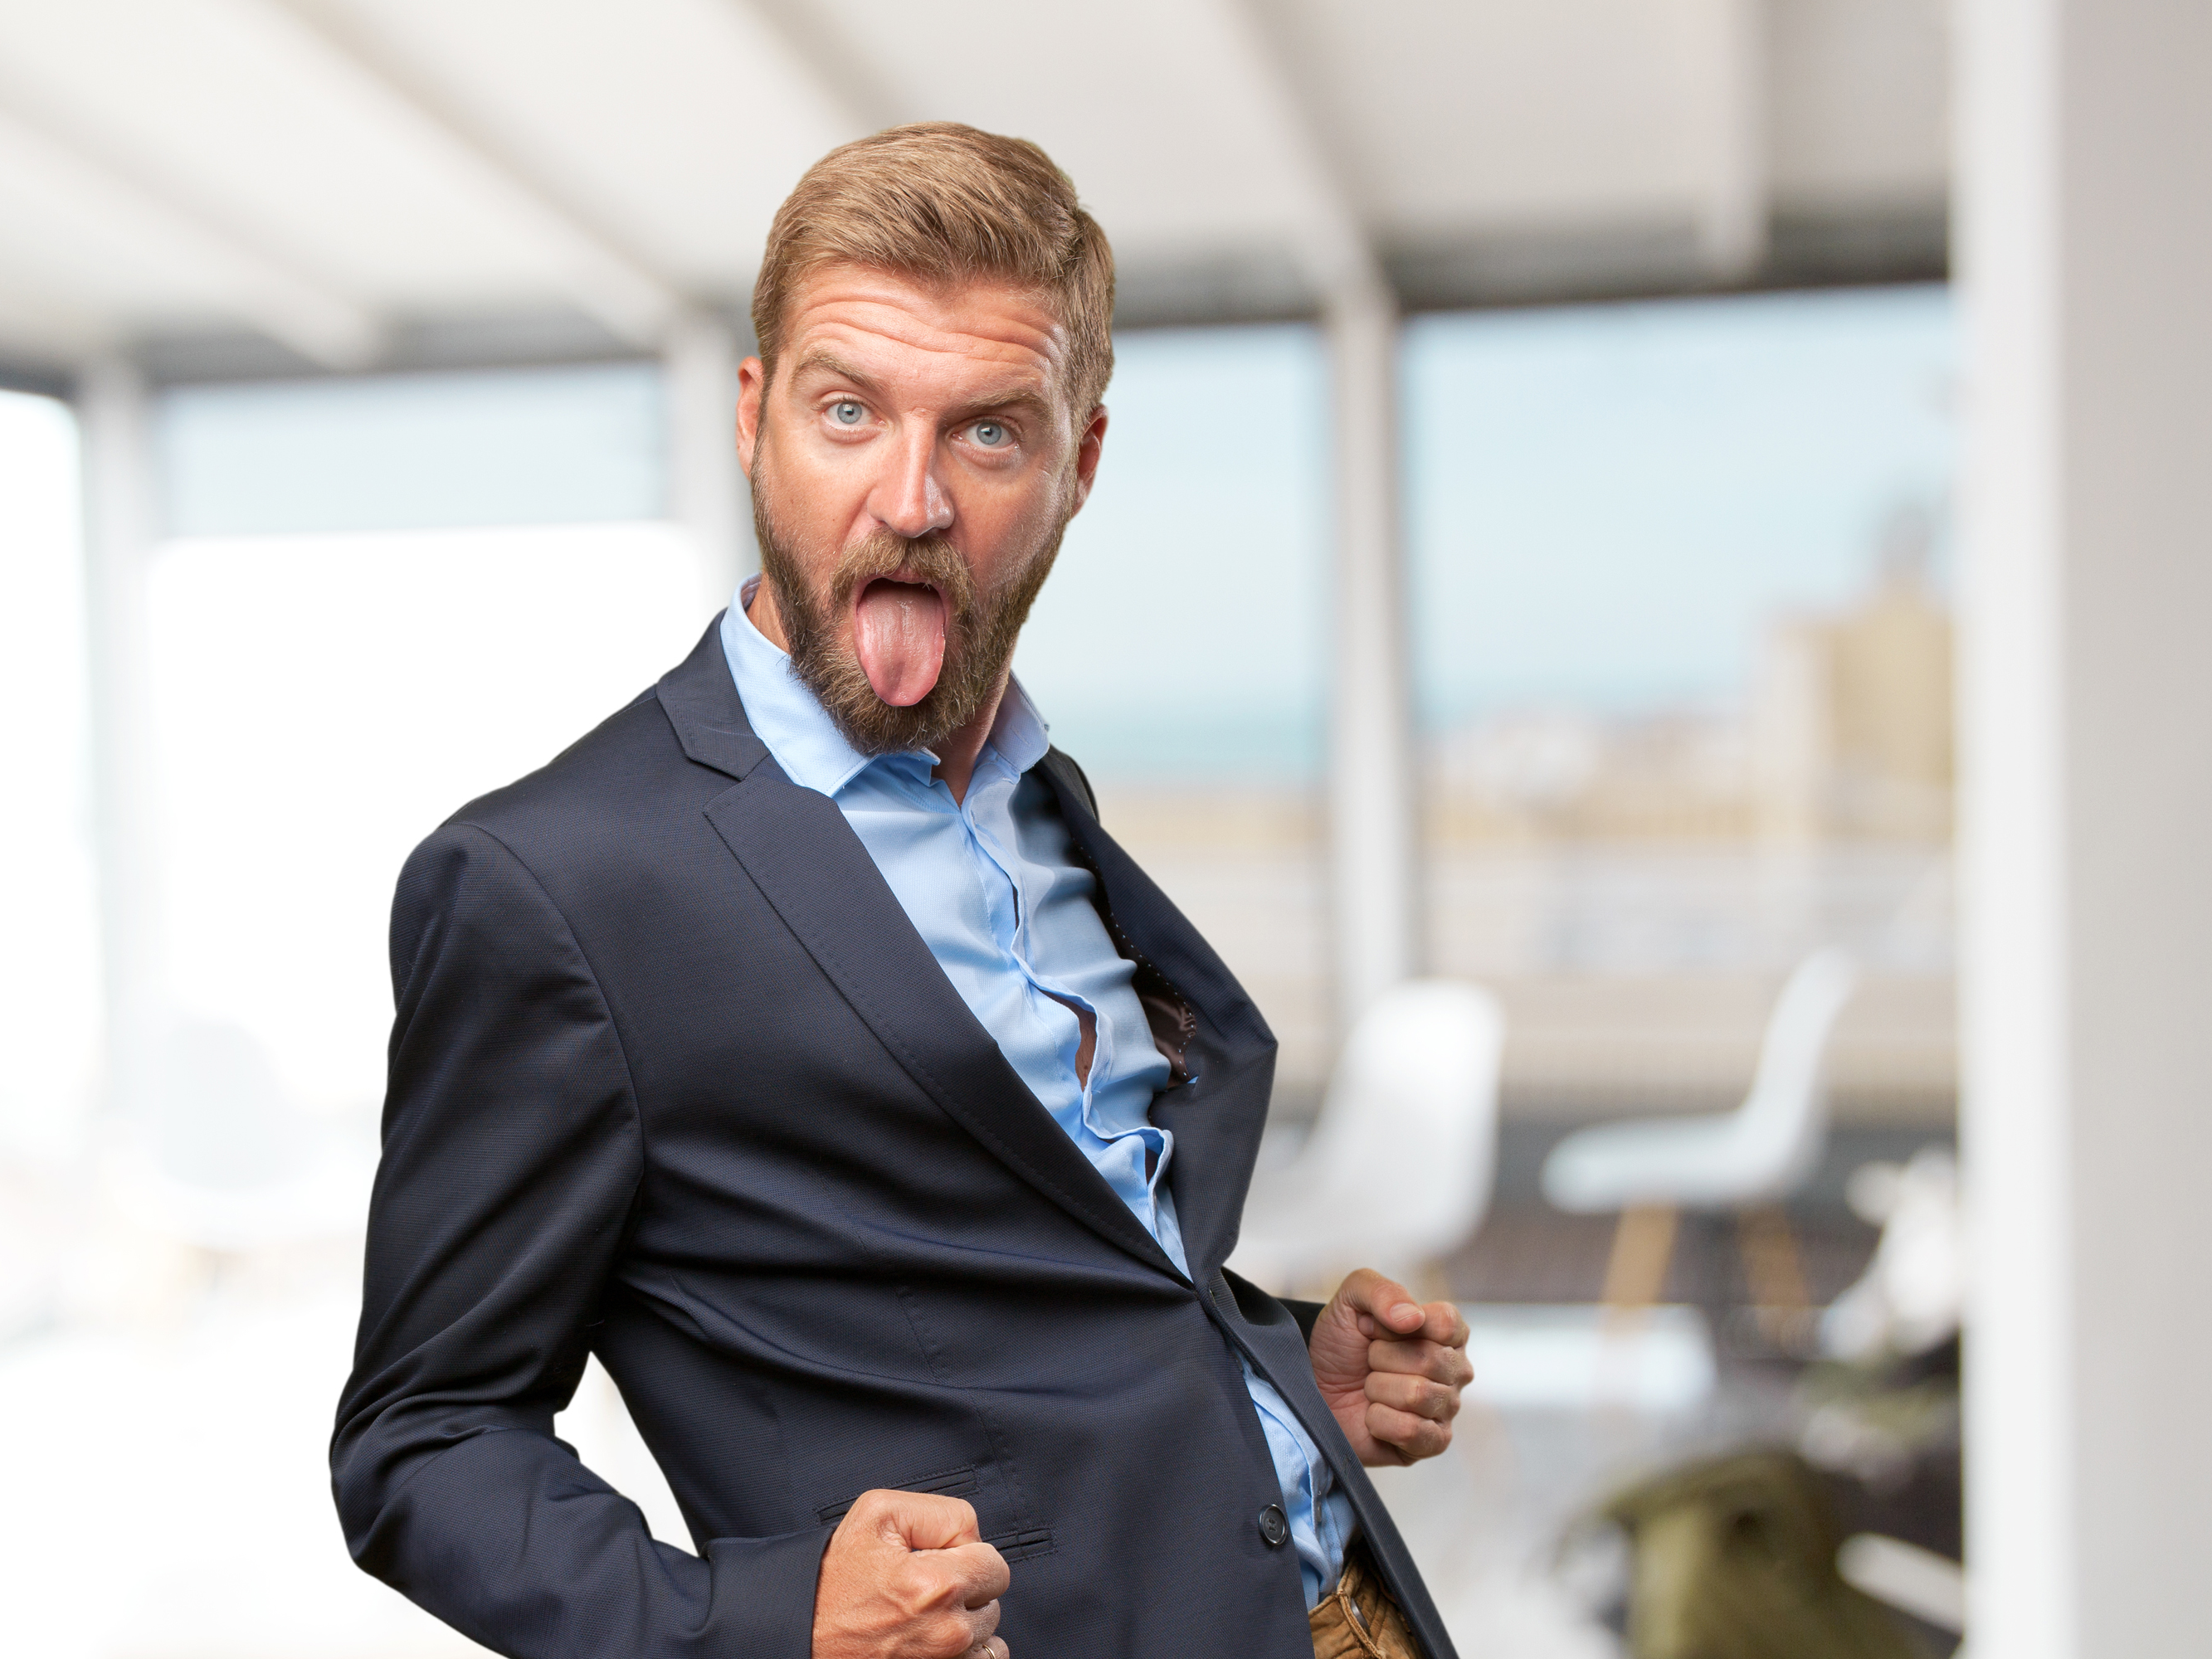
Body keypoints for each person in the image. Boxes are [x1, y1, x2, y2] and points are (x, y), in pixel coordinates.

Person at [331, 123, 1473, 1659]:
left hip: (1354, 1615)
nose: (912, 497)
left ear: (1081, 464)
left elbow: (1042, 1254)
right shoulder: (554, 883)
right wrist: (762, 1620)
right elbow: (423, 1441)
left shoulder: (1028, 790)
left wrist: (1262, 1378)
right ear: (754, 419)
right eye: (849, 411)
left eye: (990, 433)